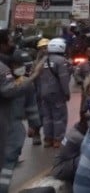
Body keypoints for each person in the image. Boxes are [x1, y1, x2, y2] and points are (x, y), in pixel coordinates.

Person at [0, 48, 42, 193]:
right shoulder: (7, 81)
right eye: (17, 65)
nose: (21, 68)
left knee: (8, 162)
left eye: (23, 65)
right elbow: (8, 90)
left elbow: (32, 106)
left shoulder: (26, 84)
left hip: (14, 129)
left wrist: (34, 126)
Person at [38, 37, 72, 148]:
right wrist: (67, 93)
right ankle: (58, 140)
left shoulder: (43, 60)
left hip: (44, 93)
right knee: (59, 117)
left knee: (47, 117)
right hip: (57, 93)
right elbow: (64, 79)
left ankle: (48, 139)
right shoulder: (61, 61)